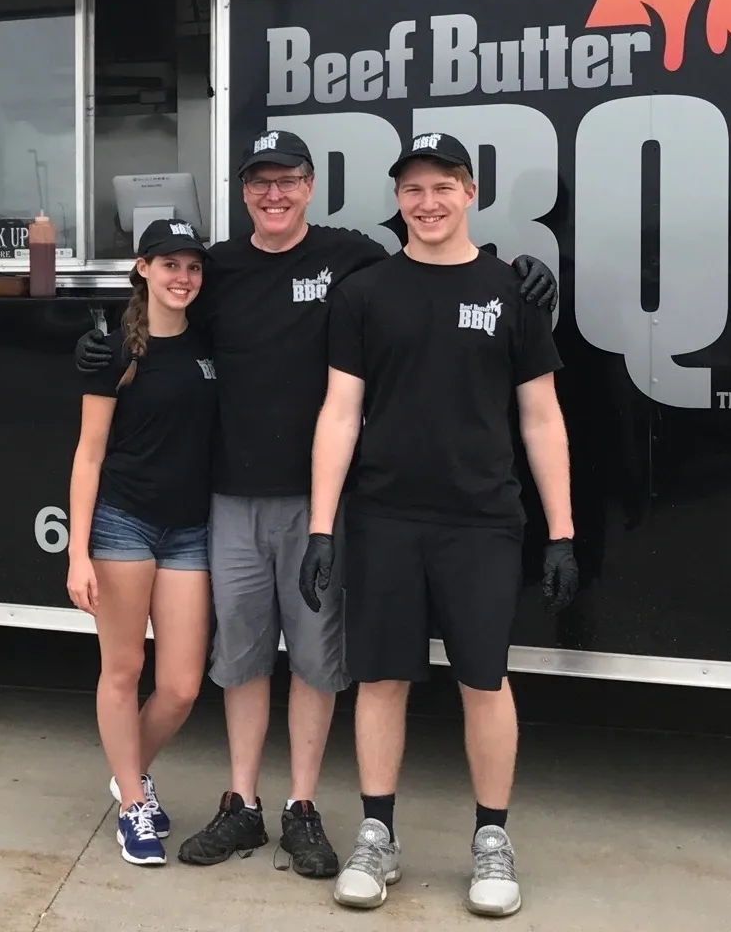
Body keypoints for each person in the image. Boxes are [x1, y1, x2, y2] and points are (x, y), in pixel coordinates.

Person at [74, 129, 561, 878]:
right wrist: (101, 338)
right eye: (260, 182)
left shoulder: (351, 258)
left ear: (309, 186)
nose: (275, 194)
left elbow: (437, 262)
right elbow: (160, 317)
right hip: (227, 502)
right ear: (242, 193)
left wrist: (513, 269)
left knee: (315, 662)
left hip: (319, 504)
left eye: (289, 180)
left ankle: (302, 807)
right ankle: (241, 803)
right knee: (238, 662)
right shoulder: (217, 269)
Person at [299, 132, 581, 916]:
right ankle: (376, 836)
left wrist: (560, 532)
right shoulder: (363, 294)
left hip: (482, 522)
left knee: (482, 682)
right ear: (397, 200)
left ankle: (492, 842)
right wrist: (321, 526)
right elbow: (339, 412)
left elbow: (540, 418)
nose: (426, 202)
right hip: (384, 517)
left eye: (442, 186)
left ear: (470, 194)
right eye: (412, 189)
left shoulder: (513, 292)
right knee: (380, 679)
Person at [67, 217, 218, 867]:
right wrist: (77, 552)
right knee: (124, 670)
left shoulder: (211, 347)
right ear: (141, 269)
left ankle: (129, 772)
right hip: (122, 524)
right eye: (168, 265)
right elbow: (88, 456)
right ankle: (133, 804)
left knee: (182, 685)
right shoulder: (113, 353)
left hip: (189, 528)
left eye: (191, 267)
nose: (181, 278)